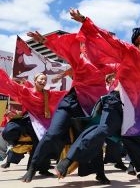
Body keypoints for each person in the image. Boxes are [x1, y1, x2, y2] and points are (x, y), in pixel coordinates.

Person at [52, 9, 140, 188]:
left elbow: (139, 83)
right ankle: (67, 161)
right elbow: (109, 39)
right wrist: (86, 21)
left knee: (135, 140)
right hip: (116, 101)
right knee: (101, 130)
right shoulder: (129, 51)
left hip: (132, 108)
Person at [22, 13, 117, 183]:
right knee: (52, 134)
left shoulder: (109, 66)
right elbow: (64, 47)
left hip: (90, 105)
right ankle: (33, 167)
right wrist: (44, 41)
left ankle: (99, 172)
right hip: (71, 101)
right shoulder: (80, 56)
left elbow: (129, 64)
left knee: (93, 137)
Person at [0, 71, 66, 176]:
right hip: (27, 120)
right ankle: (15, 144)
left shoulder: (48, 94)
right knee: (10, 130)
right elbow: (11, 86)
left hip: (41, 123)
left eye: (45, 80)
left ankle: (42, 169)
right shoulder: (26, 91)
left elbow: (63, 95)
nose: (43, 81)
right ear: (35, 81)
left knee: (41, 143)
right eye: (41, 79)